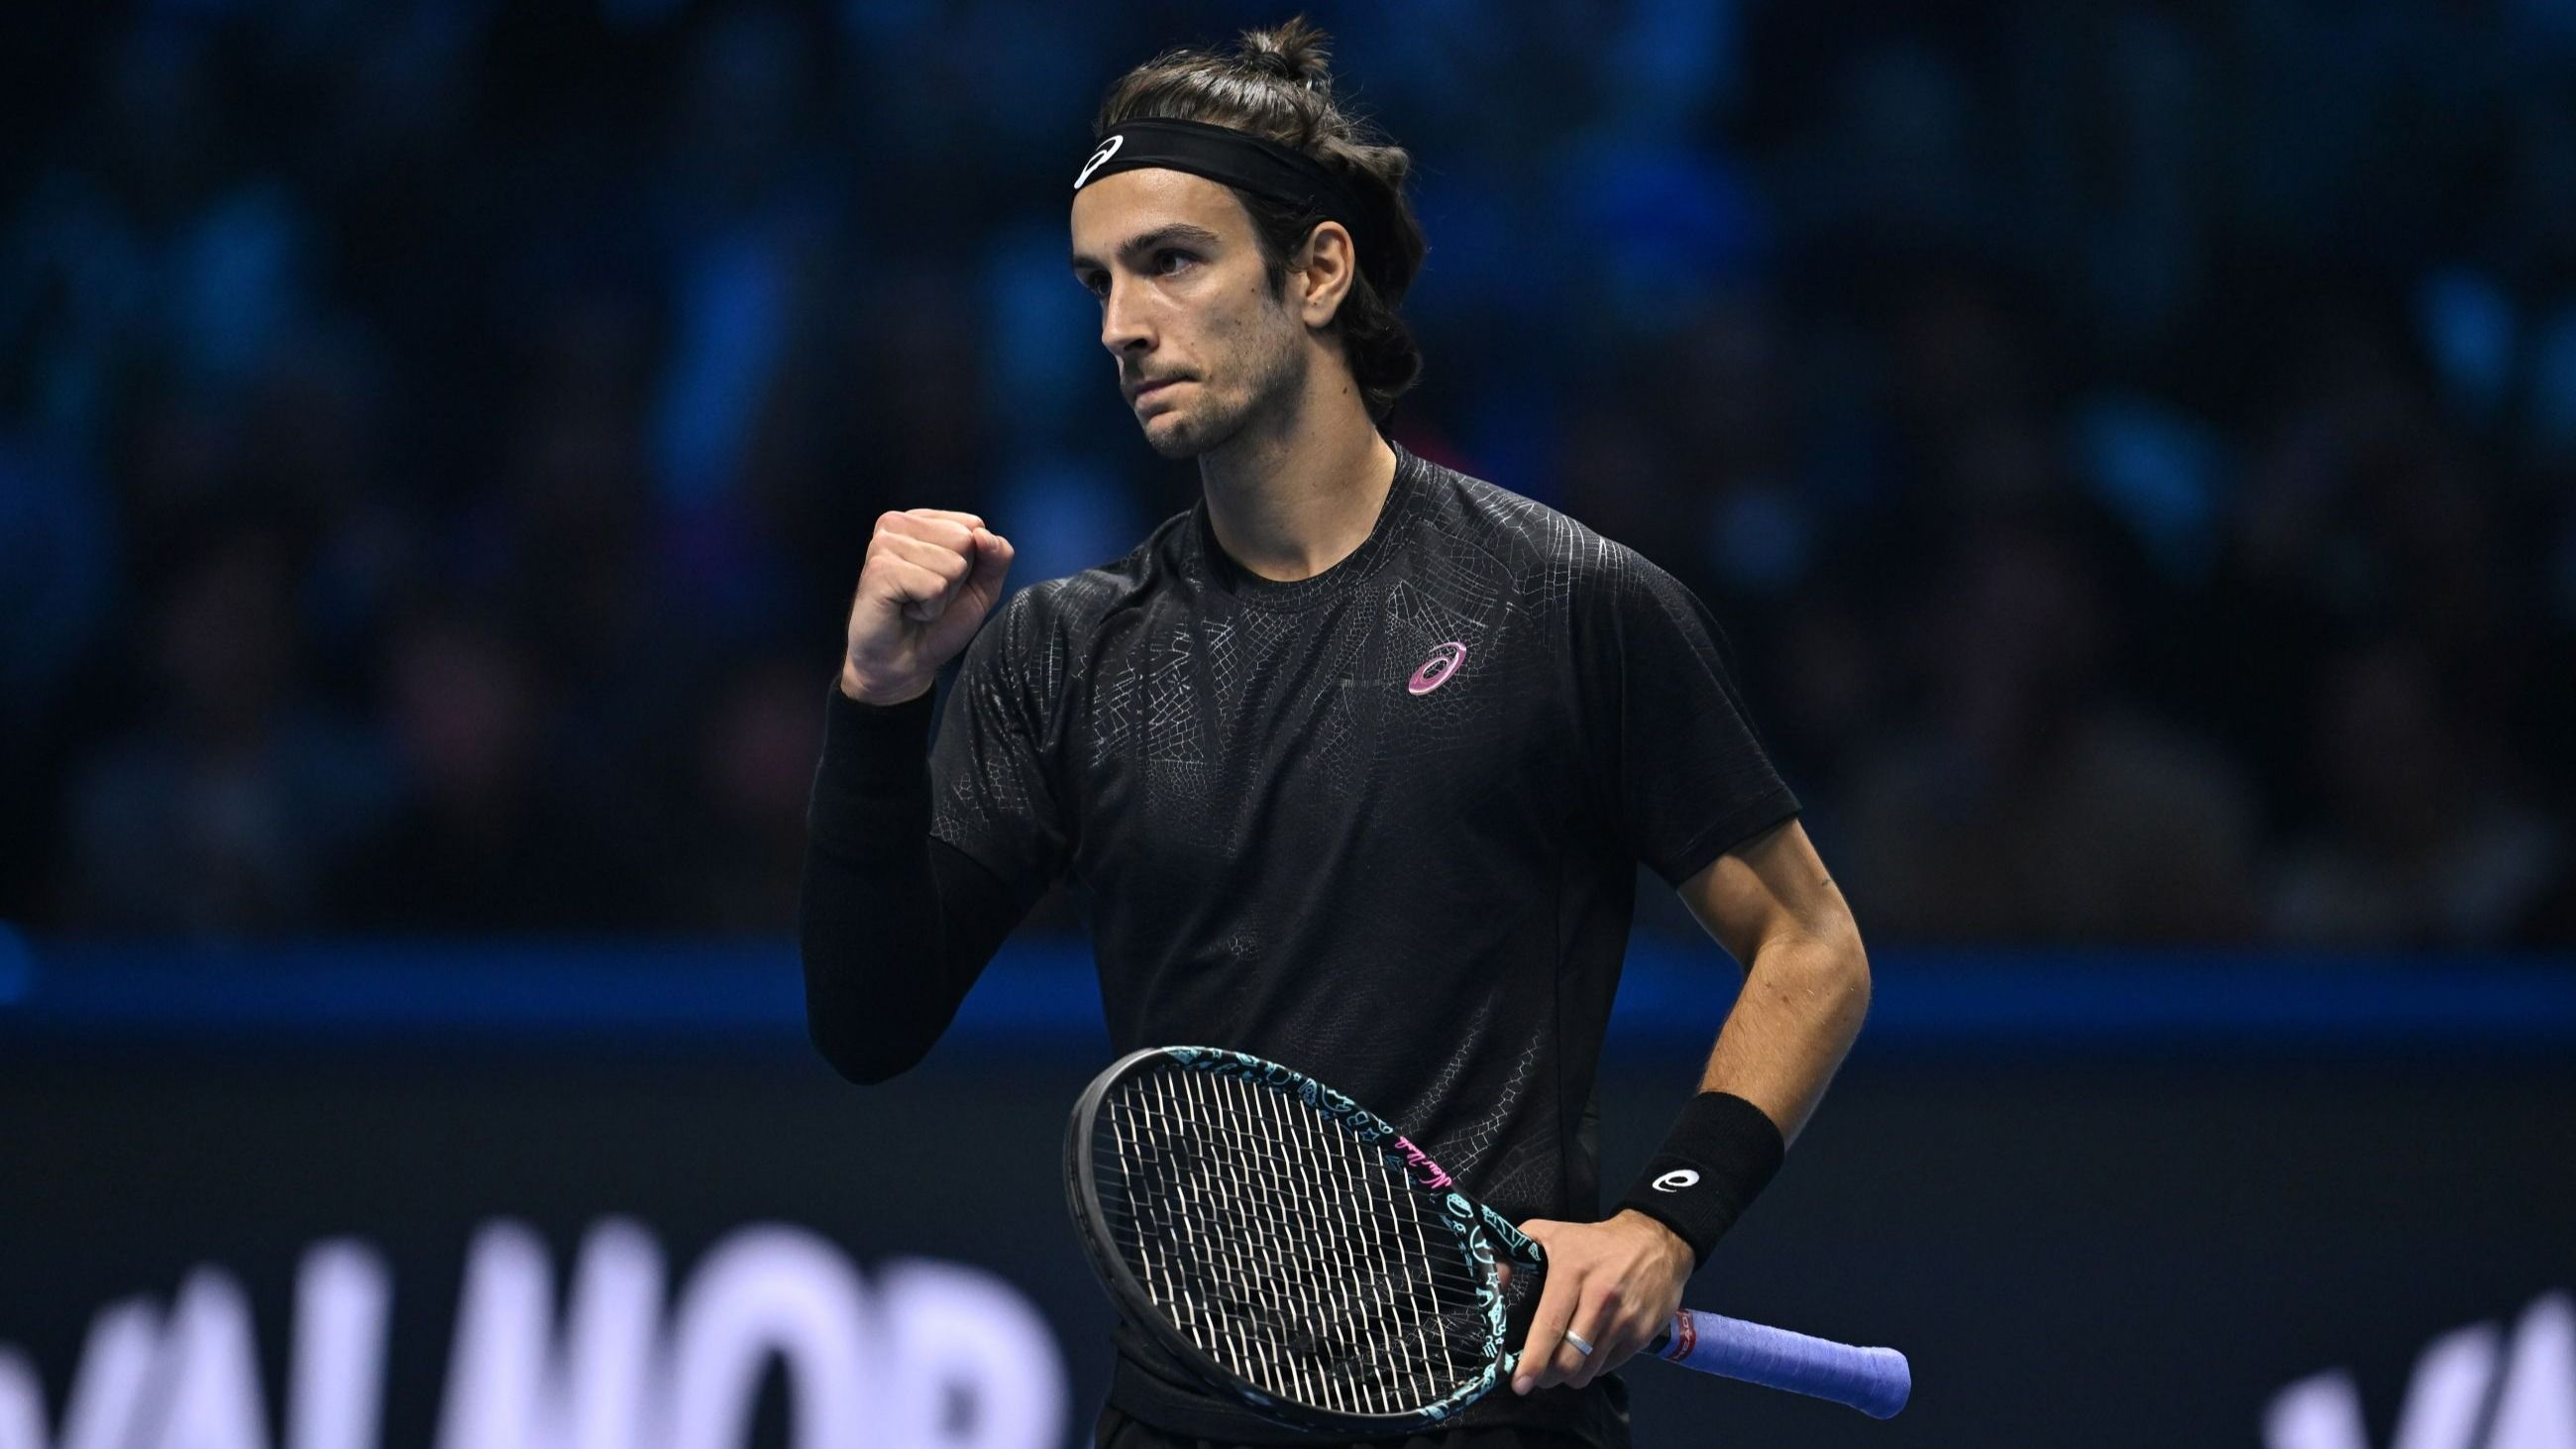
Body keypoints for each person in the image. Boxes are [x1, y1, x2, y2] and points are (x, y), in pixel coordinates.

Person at [800, 20, 1871, 1449]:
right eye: (1099, 281)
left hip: (1496, 1424)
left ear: (1317, 271)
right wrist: (877, 703)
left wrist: (1667, 1221)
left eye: (1171, 262)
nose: (1122, 324)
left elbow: (1811, 945)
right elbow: (868, 1022)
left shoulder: (1567, 605)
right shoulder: (1061, 652)